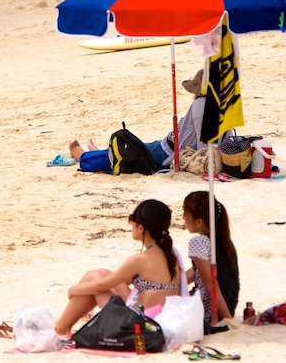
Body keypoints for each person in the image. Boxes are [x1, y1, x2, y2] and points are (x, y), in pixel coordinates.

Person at [54, 200, 185, 336]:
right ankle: (62, 327)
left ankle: (61, 328)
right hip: (156, 318)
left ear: (141, 228)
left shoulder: (140, 260)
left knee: (95, 276)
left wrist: (73, 290)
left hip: (142, 326)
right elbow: (118, 280)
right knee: (103, 273)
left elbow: (101, 286)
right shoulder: (170, 253)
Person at [69, 69, 208, 170]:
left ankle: (94, 154)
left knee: (126, 152)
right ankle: (84, 157)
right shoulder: (202, 106)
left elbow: (204, 146)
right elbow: (204, 148)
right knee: (125, 154)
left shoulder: (201, 105)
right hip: (167, 151)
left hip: (166, 148)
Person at [183, 191, 239, 333]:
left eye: (185, 215)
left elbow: (210, 283)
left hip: (210, 311)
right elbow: (200, 272)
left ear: (199, 222)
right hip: (229, 304)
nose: (183, 218)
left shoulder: (199, 242)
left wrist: (228, 321)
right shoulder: (223, 241)